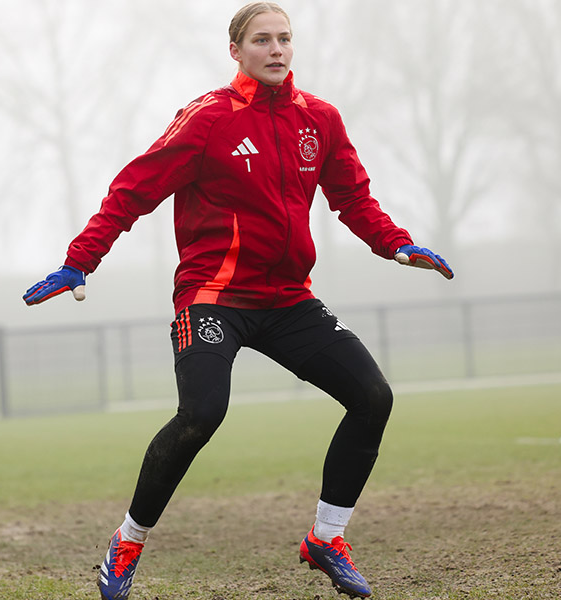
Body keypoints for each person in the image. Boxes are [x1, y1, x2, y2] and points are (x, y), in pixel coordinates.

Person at [23, 3, 453, 598]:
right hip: (214, 296)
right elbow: (134, 189)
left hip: (288, 300)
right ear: (236, 51)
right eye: (261, 40)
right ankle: (128, 540)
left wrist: (398, 246)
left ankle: (327, 538)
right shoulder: (207, 120)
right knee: (202, 413)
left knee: (372, 396)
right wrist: (79, 260)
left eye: (284, 39)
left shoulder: (320, 119)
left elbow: (353, 199)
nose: (276, 50)